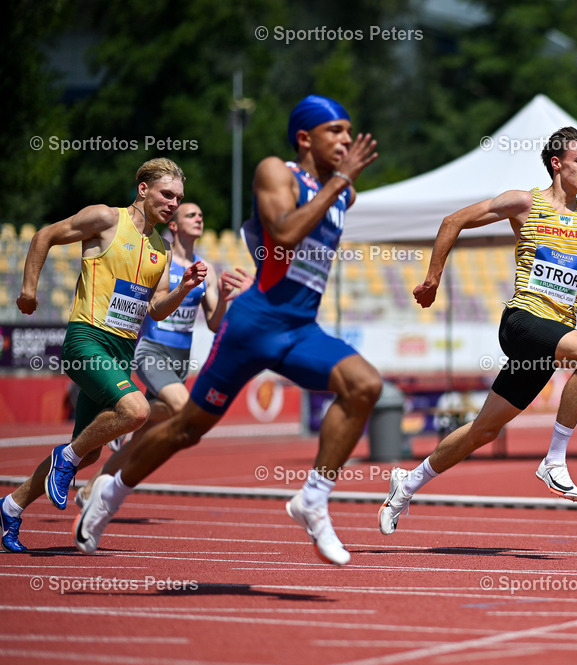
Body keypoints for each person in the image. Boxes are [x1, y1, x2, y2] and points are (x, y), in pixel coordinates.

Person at [73, 95, 379, 566]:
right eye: (335, 130)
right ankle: (109, 494)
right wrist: (339, 180)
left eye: (348, 130)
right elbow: (284, 232)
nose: (346, 138)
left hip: (299, 327)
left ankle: (313, 500)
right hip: (253, 325)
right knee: (186, 428)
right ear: (305, 138)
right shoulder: (276, 171)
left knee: (364, 386)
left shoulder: (344, 191)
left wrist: (339, 185)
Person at [378, 126, 577, 536]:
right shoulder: (523, 202)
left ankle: (407, 483)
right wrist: (433, 279)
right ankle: (554, 460)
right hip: (522, 322)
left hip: (552, 334)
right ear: (557, 164)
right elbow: (453, 221)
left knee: (484, 430)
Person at [1, 158, 207, 553]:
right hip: (86, 340)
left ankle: (11, 506)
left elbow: (157, 307)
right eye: (167, 194)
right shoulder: (106, 218)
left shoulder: (160, 249)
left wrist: (185, 288)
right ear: (143, 189)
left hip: (121, 348)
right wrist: (29, 289)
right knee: (137, 411)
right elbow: (43, 235)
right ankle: (65, 457)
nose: (172, 203)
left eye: (178, 198)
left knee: (90, 449)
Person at [80, 203, 252, 501]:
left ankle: (90, 490)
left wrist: (223, 300)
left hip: (180, 360)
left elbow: (213, 324)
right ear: (173, 225)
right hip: (152, 350)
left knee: (138, 441)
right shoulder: (161, 255)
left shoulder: (205, 269)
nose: (199, 218)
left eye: (201, 214)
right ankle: (124, 418)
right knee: (186, 408)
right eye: (191, 215)